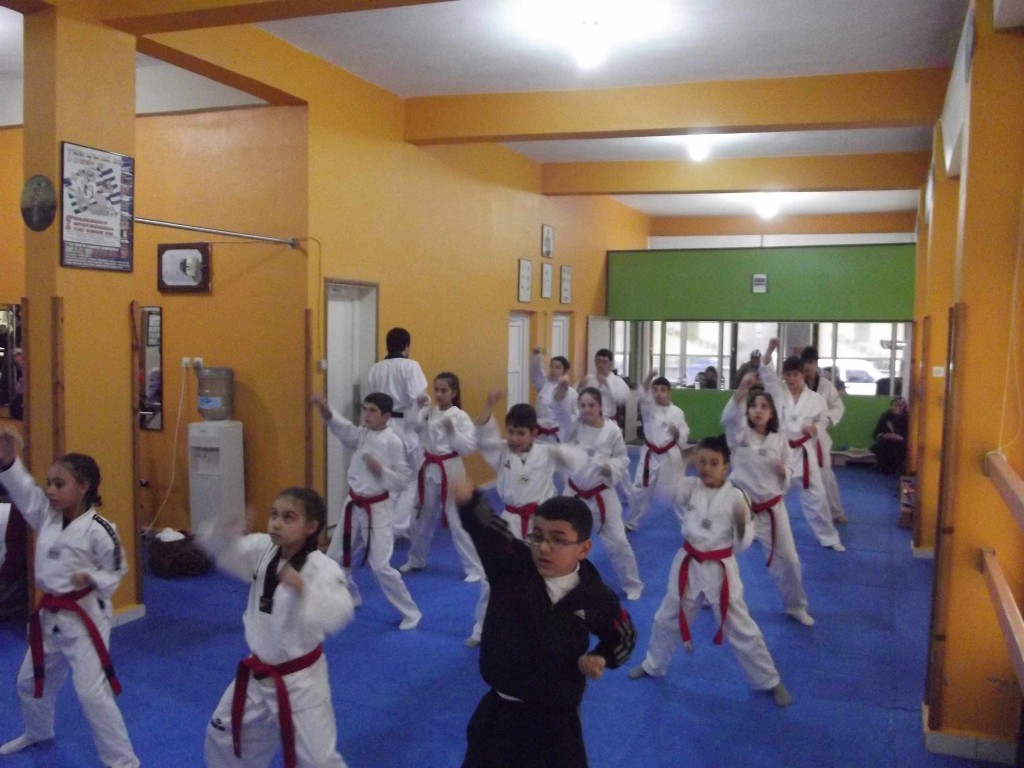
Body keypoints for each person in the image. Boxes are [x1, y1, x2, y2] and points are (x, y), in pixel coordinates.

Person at [454, 479, 637, 768]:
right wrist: (470, 500)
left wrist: (601, 656)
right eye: (537, 536)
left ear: (584, 549)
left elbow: (624, 637)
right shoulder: (512, 567)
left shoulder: (595, 596)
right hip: (501, 712)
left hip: (558, 720)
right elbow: (490, 530)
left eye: (559, 540)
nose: (544, 548)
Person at [0, 427, 140, 766]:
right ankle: (39, 731)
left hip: (85, 617)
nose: (50, 490)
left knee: (92, 694)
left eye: (59, 484)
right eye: (49, 483)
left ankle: (123, 761)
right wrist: (9, 462)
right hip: (50, 617)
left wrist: (91, 577)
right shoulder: (46, 516)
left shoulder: (102, 530)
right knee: (29, 681)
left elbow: (117, 570)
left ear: (84, 486)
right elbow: (25, 492)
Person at [628, 435, 793, 708]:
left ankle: (769, 680)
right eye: (702, 462)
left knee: (741, 628)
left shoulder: (736, 497)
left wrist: (742, 527)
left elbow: (742, 544)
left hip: (720, 568)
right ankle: (653, 664)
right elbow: (665, 492)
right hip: (689, 563)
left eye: (714, 463)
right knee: (666, 618)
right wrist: (682, 458)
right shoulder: (690, 487)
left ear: (726, 466)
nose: (706, 468)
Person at [198, 486, 354, 768]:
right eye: (274, 515)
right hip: (257, 674)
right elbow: (222, 551)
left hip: (301, 682)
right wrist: (224, 531)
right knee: (222, 736)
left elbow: (340, 614)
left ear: (311, 527)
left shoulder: (323, 568)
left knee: (319, 762)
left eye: (288, 517)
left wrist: (303, 588)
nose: (276, 523)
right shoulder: (262, 549)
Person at [470, 393, 586, 647]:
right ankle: (480, 629)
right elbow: (483, 436)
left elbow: (578, 460)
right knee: (491, 577)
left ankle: (559, 623)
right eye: (511, 432)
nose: (514, 438)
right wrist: (488, 406)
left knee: (548, 576)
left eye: (521, 433)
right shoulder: (502, 452)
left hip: (541, 525)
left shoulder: (547, 452)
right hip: (509, 521)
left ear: (534, 433)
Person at [313, 392, 421, 630]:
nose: (366, 414)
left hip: (378, 508)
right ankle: (351, 594)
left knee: (380, 566)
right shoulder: (362, 434)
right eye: (364, 409)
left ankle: (411, 612)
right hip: (353, 504)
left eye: (372, 411)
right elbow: (341, 428)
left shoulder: (393, 441)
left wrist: (380, 469)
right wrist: (324, 408)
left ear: (386, 416)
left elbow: (402, 480)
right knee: (336, 557)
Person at [722, 373, 814, 626]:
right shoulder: (739, 434)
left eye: (764, 406)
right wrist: (742, 389)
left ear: (772, 413)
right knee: (718, 552)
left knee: (790, 560)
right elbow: (729, 418)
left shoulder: (779, 438)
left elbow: (790, 468)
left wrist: (784, 472)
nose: (758, 410)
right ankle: (711, 594)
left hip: (772, 508)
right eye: (753, 406)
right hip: (740, 505)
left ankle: (796, 606)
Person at [760, 338, 845, 551]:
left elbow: (823, 419)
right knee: (768, 493)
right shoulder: (777, 392)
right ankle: (756, 530)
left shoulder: (816, 399)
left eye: (795, 375)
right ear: (783, 375)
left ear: (802, 375)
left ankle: (829, 537)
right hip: (780, 452)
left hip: (805, 454)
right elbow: (766, 373)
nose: (791, 379)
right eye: (787, 375)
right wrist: (770, 350)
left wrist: (815, 428)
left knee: (816, 497)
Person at [401, 372, 482, 582]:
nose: (438, 394)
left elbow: (468, 447)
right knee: (420, 516)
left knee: (457, 520)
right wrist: (416, 406)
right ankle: (416, 558)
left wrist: (452, 431)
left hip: (451, 469)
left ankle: (475, 568)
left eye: (444, 390)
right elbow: (410, 426)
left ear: (453, 393)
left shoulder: (460, 416)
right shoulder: (428, 412)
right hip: (428, 468)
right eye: (436, 389)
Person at [564, 388, 644, 601]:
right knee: (566, 540)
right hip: (574, 492)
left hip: (602, 493)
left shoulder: (612, 431)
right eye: (583, 405)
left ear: (600, 406)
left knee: (618, 542)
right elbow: (561, 413)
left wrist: (611, 467)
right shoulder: (574, 425)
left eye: (591, 405)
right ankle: (563, 582)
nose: (587, 409)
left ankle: (632, 584)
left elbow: (623, 458)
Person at [366, 327, 429, 540]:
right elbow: (419, 397)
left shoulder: (375, 369)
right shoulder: (410, 366)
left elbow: (371, 399)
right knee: (410, 479)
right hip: (405, 426)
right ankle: (397, 527)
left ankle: (381, 525)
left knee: (386, 479)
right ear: (407, 346)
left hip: (381, 426)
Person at [625, 371, 689, 531]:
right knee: (639, 490)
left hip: (670, 456)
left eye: (663, 390)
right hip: (650, 455)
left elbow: (684, 434)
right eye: (655, 390)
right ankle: (631, 522)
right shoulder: (649, 408)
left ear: (669, 392)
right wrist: (648, 379)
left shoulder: (678, 412)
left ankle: (688, 525)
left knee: (676, 491)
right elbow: (643, 396)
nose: (659, 393)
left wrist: (678, 434)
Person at [801, 345, 849, 524]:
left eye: (811, 363)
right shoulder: (795, 383)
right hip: (796, 437)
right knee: (784, 476)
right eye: (805, 363)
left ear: (816, 364)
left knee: (826, 476)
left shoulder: (827, 386)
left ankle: (836, 512)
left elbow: (838, 406)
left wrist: (826, 419)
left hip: (818, 438)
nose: (808, 367)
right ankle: (765, 510)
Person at [530, 348, 578, 444]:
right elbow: (536, 371)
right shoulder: (543, 384)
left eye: (557, 367)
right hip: (540, 433)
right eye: (551, 366)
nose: (553, 370)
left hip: (558, 435)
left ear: (565, 371)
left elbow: (576, 415)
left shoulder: (572, 393)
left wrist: (565, 429)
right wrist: (536, 355)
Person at [577, 348, 629, 428]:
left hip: (608, 421)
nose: (601, 365)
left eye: (604, 362)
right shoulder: (588, 379)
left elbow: (622, 400)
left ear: (611, 364)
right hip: (589, 421)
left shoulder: (617, 380)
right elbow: (576, 399)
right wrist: (579, 386)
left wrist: (607, 383)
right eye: (598, 361)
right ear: (595, 362)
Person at [872, 397, 909, 475]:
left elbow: (905, 437)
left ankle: (896, 468)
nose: (893, 408)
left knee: (898, 446)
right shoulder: (886, 416)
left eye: (897, 406)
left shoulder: (907, 418)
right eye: (892, 405)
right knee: (883, 443)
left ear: (903, 407)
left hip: (901, 444)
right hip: (886, 441)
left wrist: (894, 435)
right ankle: (885, 468)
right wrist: (884, 435)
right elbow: (875, 434)